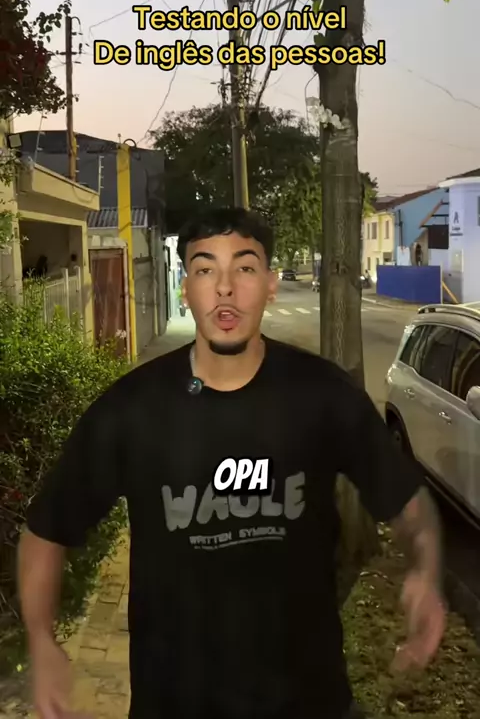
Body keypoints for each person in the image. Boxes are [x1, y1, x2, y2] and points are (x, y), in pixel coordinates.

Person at [18, 207, 446, 719]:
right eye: (205, 269)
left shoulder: (323, 395)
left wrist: (426, 570)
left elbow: (406, 501)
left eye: (244, 267)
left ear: (270, 285)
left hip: (309, 702)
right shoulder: (132, 410)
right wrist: (41, 641)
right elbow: (46, 531)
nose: (225, 287)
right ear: (185, 289)